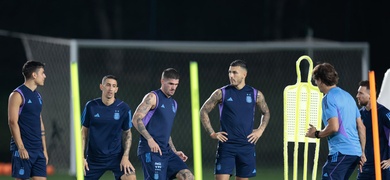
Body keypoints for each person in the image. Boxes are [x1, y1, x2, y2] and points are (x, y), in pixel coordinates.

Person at [200, 60, 271, 180]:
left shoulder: (255, 94)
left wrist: (260, 130)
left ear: (244, 75)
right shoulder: (221, 93)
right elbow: (203, 111)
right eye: (229, 72)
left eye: (235, 72)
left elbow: (266, 112)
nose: (231, 75)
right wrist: (212, 133)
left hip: (246, 146)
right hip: (227, 146)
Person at [305, 62, 366, 179]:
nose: (316, 84)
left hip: (342, 152)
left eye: (316, 80)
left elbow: (334, 127)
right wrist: (362, 153)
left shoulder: (328, 98)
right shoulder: (348, 96)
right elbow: (361, 126)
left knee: (328, 174)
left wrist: (316, 134)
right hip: (355, 153)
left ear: (321, 80)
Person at [132, 68, 194, 180]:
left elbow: (165, 132)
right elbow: (136, 119)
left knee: (187, 176)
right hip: (151, 150)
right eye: (170, 83)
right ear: (162, 81)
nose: (173, 87)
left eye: (176, 84)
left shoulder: (173, 104)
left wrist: (174, 151)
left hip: (167, 151)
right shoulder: (153, 97)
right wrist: (150, 140)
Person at [81, 75, 136, 180]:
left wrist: (125, 156)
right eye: (108, 85)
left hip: (116, 157)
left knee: (131, 177)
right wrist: (81, 157)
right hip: (94, 159)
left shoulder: (124, 108)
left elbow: (127, 133)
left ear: (116, 89)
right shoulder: (91, 106)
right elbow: (83, 132)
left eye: (114, 86)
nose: (111, 88)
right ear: (101, 87)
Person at [8, 60, 49, 180]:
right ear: (34, 75)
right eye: (42, 73)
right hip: (24, 148)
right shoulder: (17, 94)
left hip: (38, 150)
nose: (44, 76)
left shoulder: (37, 96)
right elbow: (12, 121)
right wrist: (21, 147)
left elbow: (39, 121)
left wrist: (44, 149)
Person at [356, 80, 390, 180]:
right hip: (365, 167)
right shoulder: (359, 114)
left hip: (381, 167)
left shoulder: (383, 112)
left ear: (370, 95)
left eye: (361, 93)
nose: (357, 96)